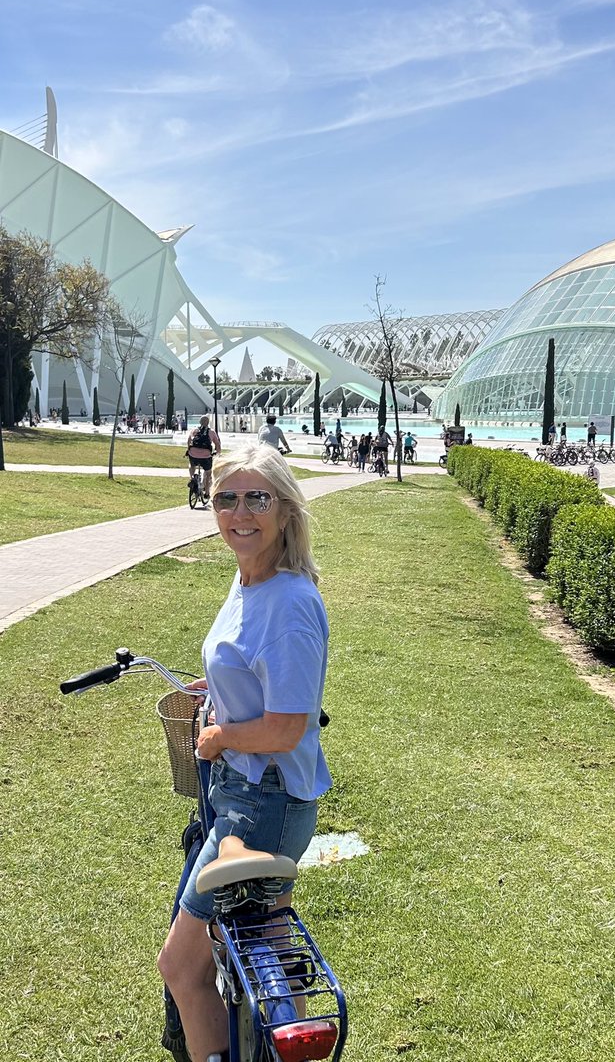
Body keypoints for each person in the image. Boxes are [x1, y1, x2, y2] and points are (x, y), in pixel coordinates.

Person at [157, 444, 331, 1062]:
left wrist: (221, 736)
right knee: (264, 952)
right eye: (226, 497)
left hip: (261, 803)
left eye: (257, 497)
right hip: (253, 796)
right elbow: (260, 676)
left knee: (182, 966)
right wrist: (224, 692)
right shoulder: (247, 578)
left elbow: (286, 727)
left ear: (284, 509)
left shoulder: (287, 603)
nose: (239, 512)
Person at [186, 415, 221, 497]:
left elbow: (189, 440)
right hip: (206, 456)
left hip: (193, 454)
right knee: (208, 473)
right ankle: (207, 493)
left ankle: (192, 478)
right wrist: (217, 453)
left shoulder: (194, 430)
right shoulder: (211, 432)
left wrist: (189, 450)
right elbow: (217, 444)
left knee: (192, 465)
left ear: (200, 422)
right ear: (208, 423)